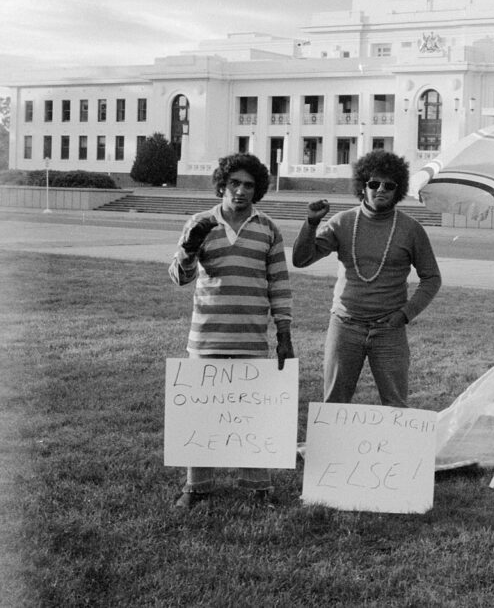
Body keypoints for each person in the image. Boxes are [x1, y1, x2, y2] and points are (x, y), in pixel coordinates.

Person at [168, 153, 294, 509]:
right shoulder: (199, 222)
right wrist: (189, 249)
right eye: (234, 184)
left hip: (252, 338)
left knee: (252, 415)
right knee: (201, 414)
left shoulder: (268, 228)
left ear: (258, 190)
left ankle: (257, 488)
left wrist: (284, 333)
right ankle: (197, 488)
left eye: (249, 185)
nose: (240, 191)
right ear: (222, 185)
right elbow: (180, 278)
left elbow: (279, 284)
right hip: (206, 336)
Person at [292, 151, 441, 408]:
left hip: (389, 330)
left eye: (389, 185)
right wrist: (311, 223)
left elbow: (431, 277)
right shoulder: (342, 222)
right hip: (345, 325)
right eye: (373, 183)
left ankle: (395, 449)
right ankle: (332, 449)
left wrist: (405, 314)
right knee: (334, 403)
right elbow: (301, 259)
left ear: (398, 190)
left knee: (395, 404)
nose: (380, 189)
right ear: (363, 187)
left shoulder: (411, 229)